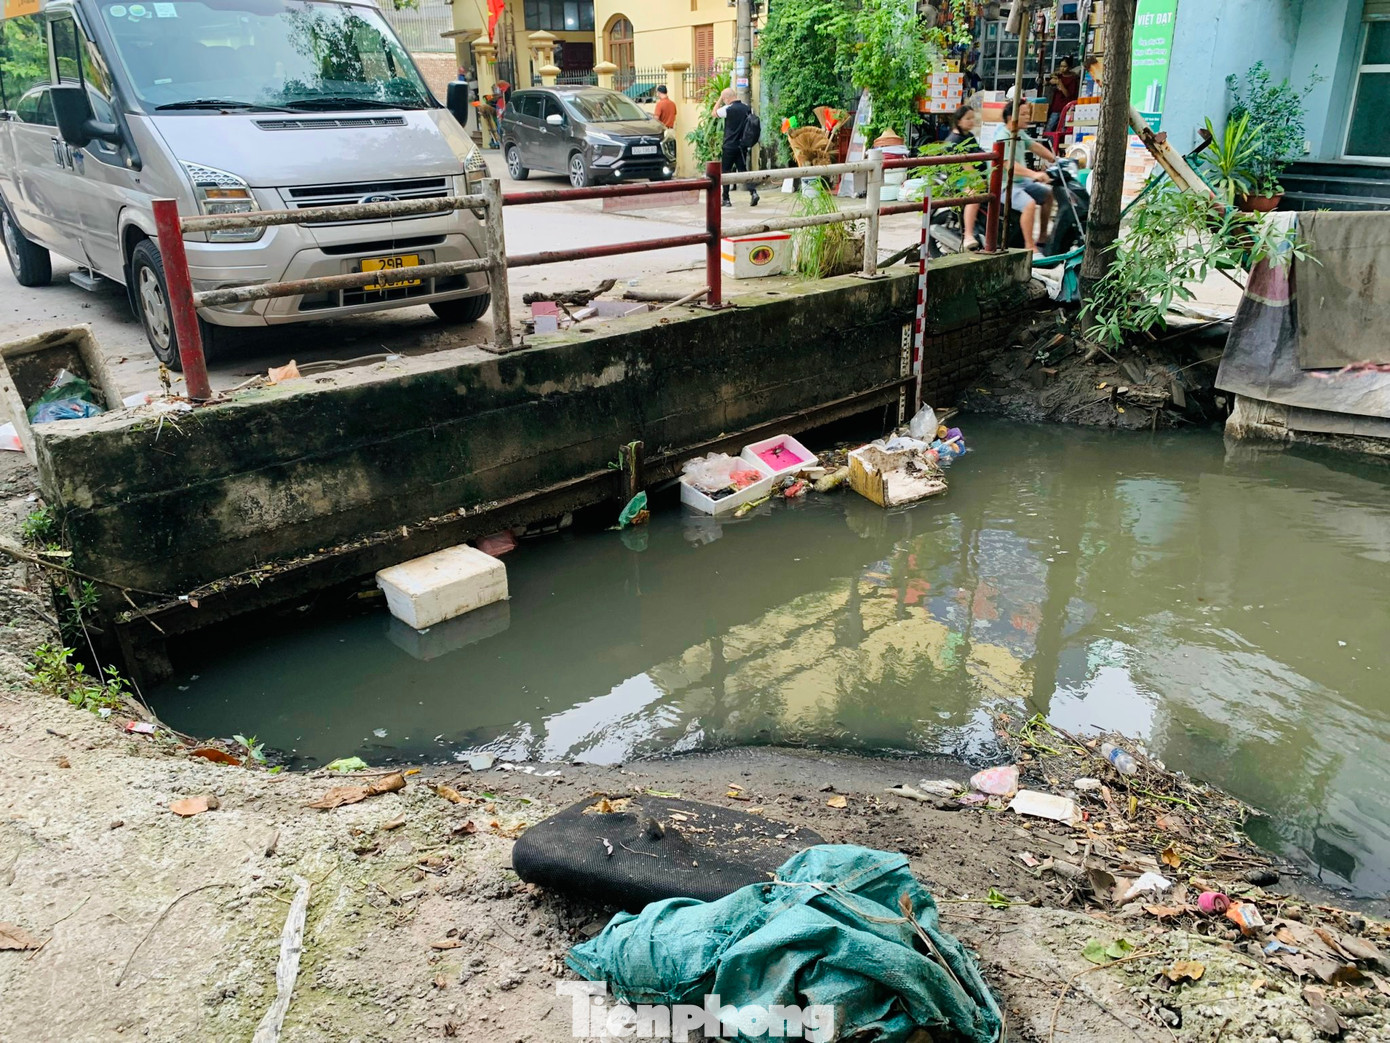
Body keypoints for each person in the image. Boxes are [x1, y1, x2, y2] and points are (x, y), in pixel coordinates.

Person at [1001, 101, 1057, 257]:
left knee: (1047, 194)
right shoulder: (1003, 136)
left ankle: (1042, 238)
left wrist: (1055, 159)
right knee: (1029, 204)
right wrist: (1034, 174)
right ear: (1011, 117)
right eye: (1023, 114)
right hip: (1005, 184)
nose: (1028, 118)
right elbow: (1008, 164)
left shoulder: (1019, 133)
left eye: (1028, 114)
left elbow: (1034, 146)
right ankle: (1030, 246)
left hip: (1020, 181)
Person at [944, 104, 984, 251]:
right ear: (958, 120)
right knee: (974, 195)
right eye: (968, 118)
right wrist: (978, 180)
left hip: (975, 175)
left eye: (973, 118)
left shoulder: (969, 136)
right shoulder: (953, 140)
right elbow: (965, 165)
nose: (971, 121)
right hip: (960, 179)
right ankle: (968, 235)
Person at [717, 88, 759, 207]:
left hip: (729, 146)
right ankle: (753, 193)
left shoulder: (727, 109)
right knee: (743, 171)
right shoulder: (747, 108)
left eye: (724, 99)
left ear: (727, 98)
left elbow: (714, 113)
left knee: (725, 172)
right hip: (742, 146)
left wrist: (719, 99)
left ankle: (726, 199)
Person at [1046, 56, 1080, 132]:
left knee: (1063, 130)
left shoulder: (1072, 79)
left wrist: (1060, 83)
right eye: (1061, 66)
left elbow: (1068, 94)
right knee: (1049, 128)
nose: (1062, 69)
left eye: (1065, 66)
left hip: (1065, 108)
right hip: (1055, 107)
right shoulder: (1058, 76)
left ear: (1069, 67)